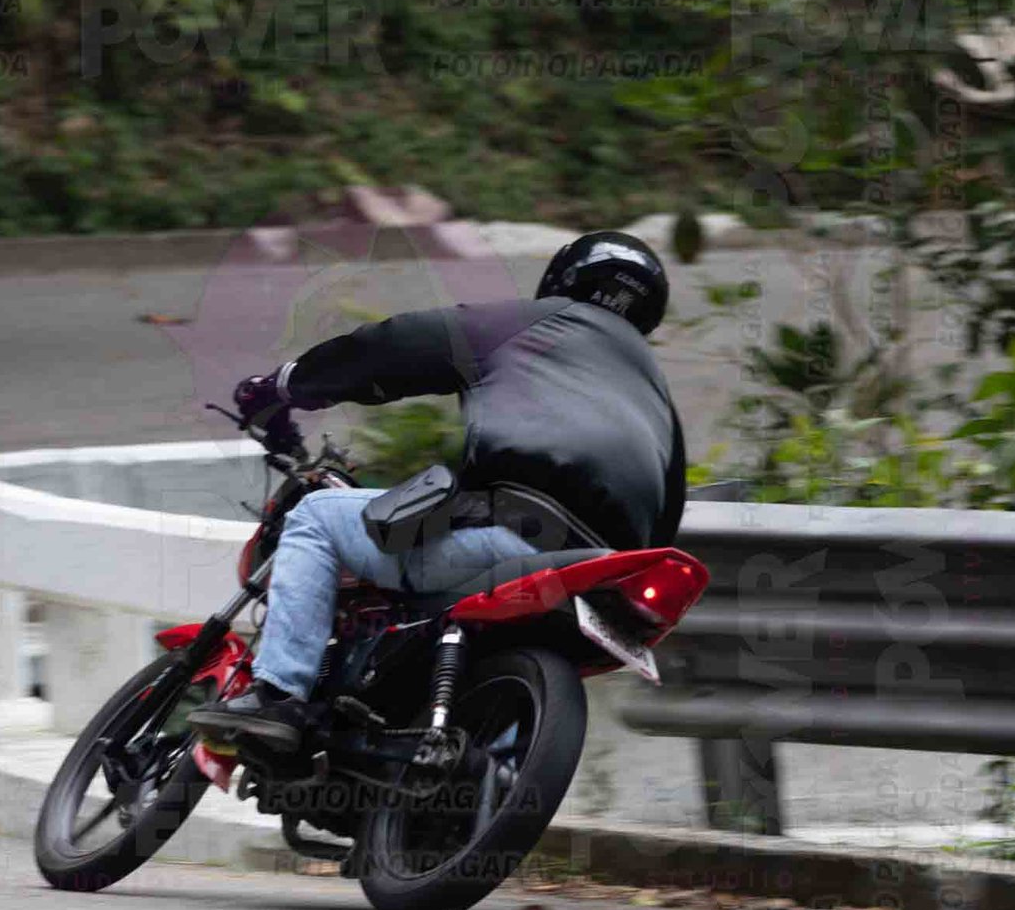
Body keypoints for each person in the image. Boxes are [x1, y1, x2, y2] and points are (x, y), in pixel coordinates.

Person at [187, 231, 687, 750]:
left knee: (317, 516)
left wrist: (283, 386)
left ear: (564, 279)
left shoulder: (536, 323)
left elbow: (396, 349)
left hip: (509, 533)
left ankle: (278, 695)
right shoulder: (657, 396)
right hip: (600, 573)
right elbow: (668, 512)